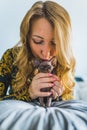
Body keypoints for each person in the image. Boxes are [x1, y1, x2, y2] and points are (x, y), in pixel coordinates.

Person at [0, 1, 87, 130]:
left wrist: (59, 96)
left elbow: (68, 99)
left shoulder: (65, 61)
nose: (46, 53)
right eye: (38, 41)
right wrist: (28, 95)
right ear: (27, 37)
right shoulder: (11, 56)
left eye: (55, 43)